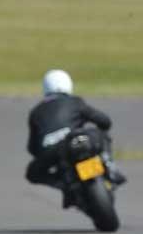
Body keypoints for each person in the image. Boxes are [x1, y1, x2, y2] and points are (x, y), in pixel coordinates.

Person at [26, 70, 126, 205]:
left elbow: (32, 148)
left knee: (32, 173)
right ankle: (110, 168)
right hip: (77, 141)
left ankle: (64, 184)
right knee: (100, 134)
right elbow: (104, 121)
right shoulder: (75, 102)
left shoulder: (36, 112)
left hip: (53, 152)